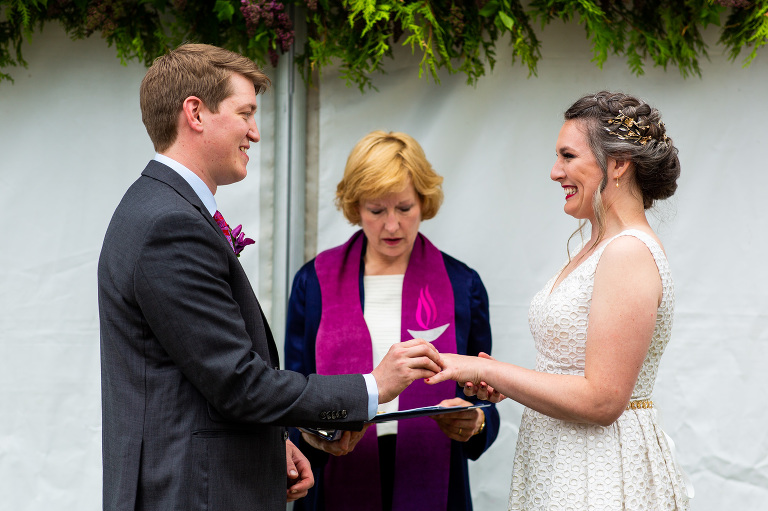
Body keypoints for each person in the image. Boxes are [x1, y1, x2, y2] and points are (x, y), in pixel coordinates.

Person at [97, 45, 444, 511]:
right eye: (246, 114)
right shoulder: (169, 224)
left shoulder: (159, 207)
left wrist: (270, 444)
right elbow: (238, 382)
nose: (255, 134)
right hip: (190, 493)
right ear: (195, 113)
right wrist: (374, 386)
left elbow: (198, 378)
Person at [427, 91, 693, 510]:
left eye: (568, 156)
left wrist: (481, 366)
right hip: (561, 454)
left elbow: (602, 400)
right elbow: (570, 371)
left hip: (598, 469)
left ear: (619, 164)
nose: (555, 172)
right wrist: (502, 379)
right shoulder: (598, 245)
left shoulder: (628, 252)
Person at [284, 130, 500, 511]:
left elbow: (485, 396)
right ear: (355, 206)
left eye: (404, 207)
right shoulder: (313, 282)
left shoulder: (463, 285)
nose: (392, 226)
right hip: (338, 476)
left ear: (423, 201)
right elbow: (294, 394)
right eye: (376, 210)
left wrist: (477, 423)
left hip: (433, 476)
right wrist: (315, 435)